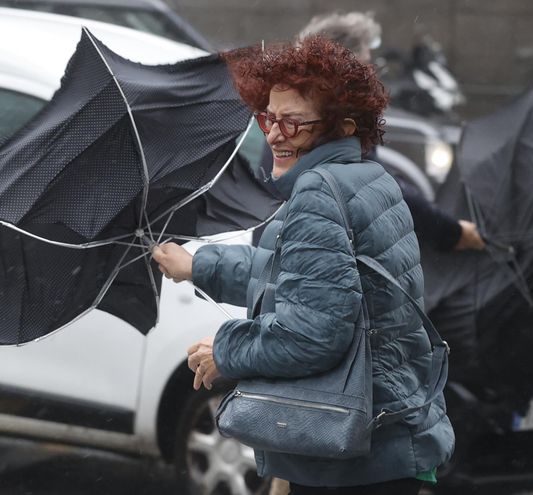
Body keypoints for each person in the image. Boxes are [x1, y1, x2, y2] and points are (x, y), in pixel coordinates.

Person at [152, 36, 454, 494]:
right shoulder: (365, 179)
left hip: (353, 458)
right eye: (268, 118)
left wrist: (225, 351)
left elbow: (313, 333)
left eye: (292, 124)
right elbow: (290, 276)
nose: (273, 135)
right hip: (385, 441)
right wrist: (197, 265)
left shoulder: (317, 194)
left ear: (343, 127)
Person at [296, 11, 485, 252]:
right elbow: (383, 188)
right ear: (343, 62)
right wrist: (453, 232)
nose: (370, 69)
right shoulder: (338, 117)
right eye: (364, 60)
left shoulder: (297, 110)